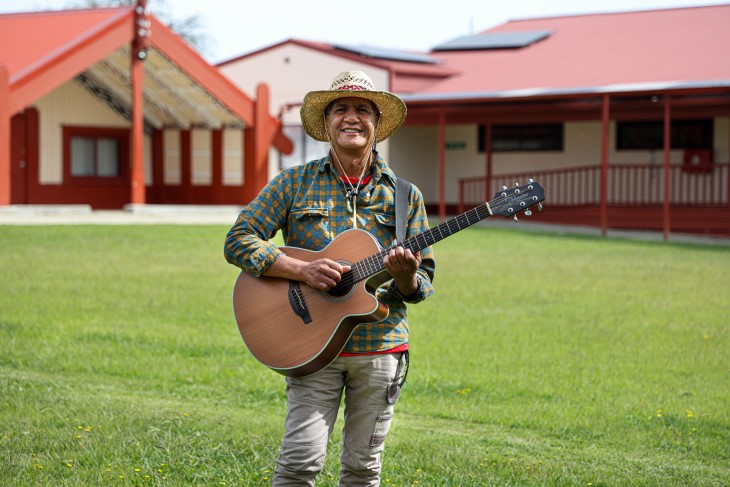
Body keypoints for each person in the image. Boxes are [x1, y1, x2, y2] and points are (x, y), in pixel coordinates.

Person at [224, 70, 435, 486]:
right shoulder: (293, 182)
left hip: (381, 347)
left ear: (377, 124)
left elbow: (421, 284)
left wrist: (406, 277)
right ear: (327, 122)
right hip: (307, 342)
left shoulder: (406, 196)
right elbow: (238, 240)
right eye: (341, 109)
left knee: (362, 468)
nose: (351, 118)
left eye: (362, 110)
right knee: (300, 463)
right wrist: (301, 269)